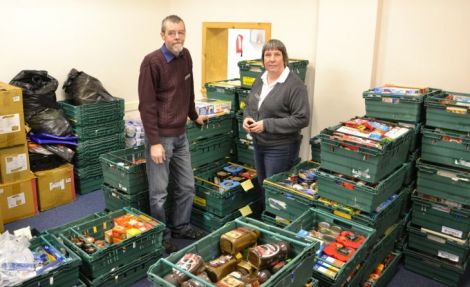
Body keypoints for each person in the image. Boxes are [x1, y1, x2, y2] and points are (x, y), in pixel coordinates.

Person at [138, 15, 207, 253]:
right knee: (159, 194)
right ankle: (162, 234)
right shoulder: (152, 62)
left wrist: (194, 115)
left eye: (181, 32)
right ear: (162, 35)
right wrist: (155, 142)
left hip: (181, 135)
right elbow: (146, 106)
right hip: (161, 139)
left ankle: (181, 226)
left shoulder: (185, 56)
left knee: (187, 186)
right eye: (172, 33)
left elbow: (187, 89)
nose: (177, 37)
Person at [243, 39, 310, 197]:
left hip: (280, 148)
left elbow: (302, 118)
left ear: (284, 58)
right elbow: (250, 105)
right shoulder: (260, 80)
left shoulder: (295, 85)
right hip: (259, 143)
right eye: (267, 55)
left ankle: (274, 219)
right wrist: (247, 118)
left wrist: (267, 125)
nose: (271, 59)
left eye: (276, 54)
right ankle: (265, 217)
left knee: (275, 190)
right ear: (263, 60)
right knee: (263, 185)